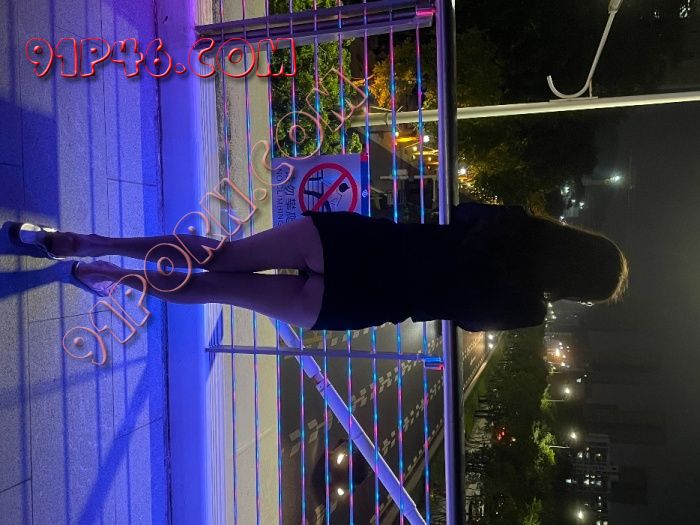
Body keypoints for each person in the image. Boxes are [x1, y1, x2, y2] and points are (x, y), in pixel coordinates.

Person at [6, 201, 628, 331]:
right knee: (218, 289)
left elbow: (463, 215)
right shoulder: (527, 309)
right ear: (578, 289)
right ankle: (115, 280)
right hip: (364, 303)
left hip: (361, 244)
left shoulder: (518, 224)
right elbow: (467, 317)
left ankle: (88, 242)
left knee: (223, 256)